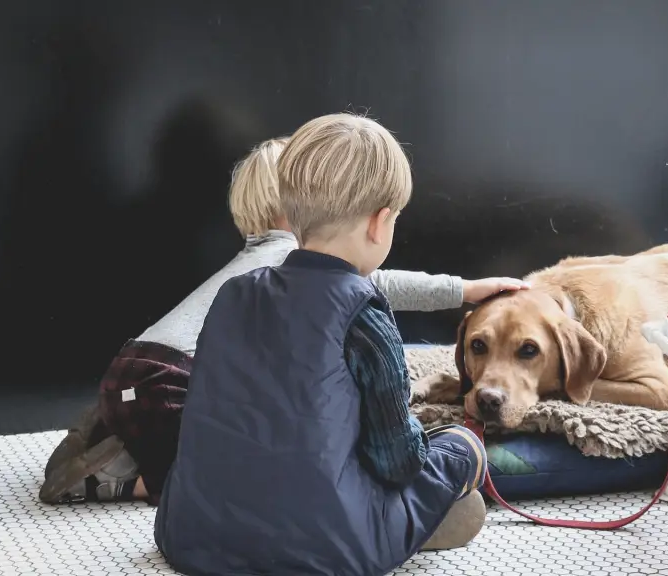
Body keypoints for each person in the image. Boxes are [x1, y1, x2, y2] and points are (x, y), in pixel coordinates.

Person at [39, 135, 525, 507]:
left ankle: (110, 433)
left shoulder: (256, 263)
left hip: (135, 371)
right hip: (169, 380)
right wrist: (463, 289)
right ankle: (115, 480)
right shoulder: (291, 262)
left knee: (198, 433)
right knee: (210, 476)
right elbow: (381, 283)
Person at [154, 112, 512, 576]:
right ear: (380, 223)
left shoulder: (234, 293)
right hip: (326, 549)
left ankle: (397, 520)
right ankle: (414, 520)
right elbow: (398, 461)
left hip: (193, 533)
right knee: (460, 447)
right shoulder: (362, 312)